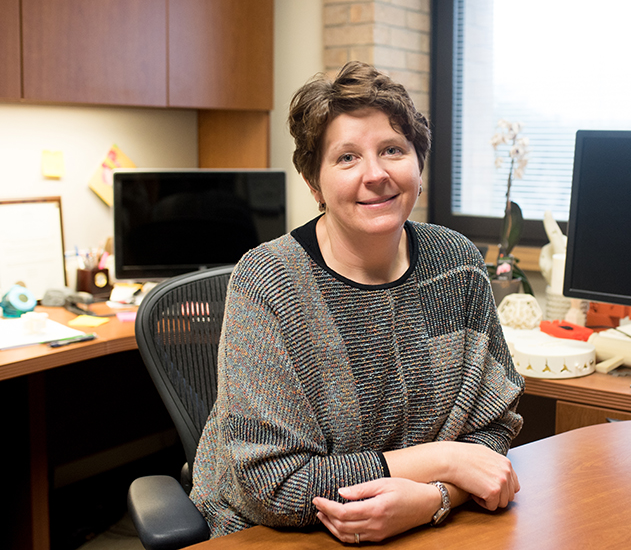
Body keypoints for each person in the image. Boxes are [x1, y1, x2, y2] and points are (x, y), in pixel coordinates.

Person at [189, 61, 525, 543]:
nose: (376, 174)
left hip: (422, 530)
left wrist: (434, 499)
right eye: (346, 158)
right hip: (271, 534)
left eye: (392, 150)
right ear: (313, 182)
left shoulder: (457, 265)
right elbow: (273, 486)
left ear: (418, 164)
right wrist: (443, 462)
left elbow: (493, 425)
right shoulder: (269, 282)